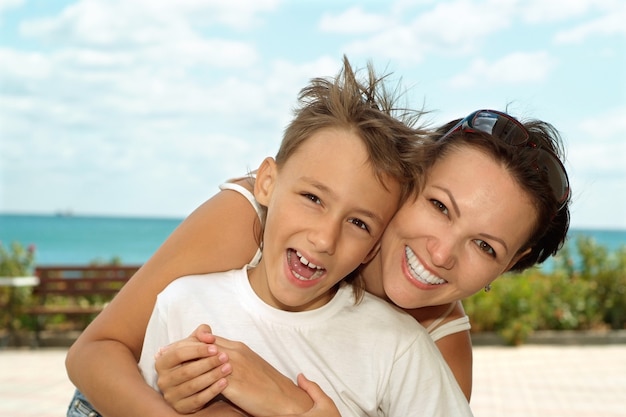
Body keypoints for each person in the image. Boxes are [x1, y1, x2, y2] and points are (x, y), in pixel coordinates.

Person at [65, 67, 571, 414]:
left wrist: (291, 404)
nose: (440, 253)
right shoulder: (260, 217)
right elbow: (95, 352)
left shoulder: (431, 346)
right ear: (407, 184)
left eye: (486, 247)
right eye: (439, 207)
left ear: (509, 266)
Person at [137, 106, 473, 416]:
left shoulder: (399, 347)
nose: (325, 239)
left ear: (372, 248)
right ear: (267, 182)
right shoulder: (182, 304)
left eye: (359, 223)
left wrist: (291, 404)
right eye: (313, 198)